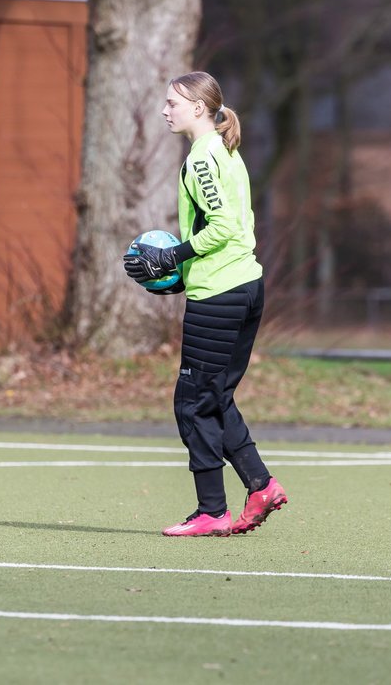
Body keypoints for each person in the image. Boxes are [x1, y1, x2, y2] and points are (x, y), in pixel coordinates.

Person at [123, 71, 287, 537]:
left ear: (198, 108)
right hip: (243, 286)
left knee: (192, 403)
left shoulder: (201, 158)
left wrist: (173, 256)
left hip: (220, 297)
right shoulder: (224, 151)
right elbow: (235, 231)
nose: (165, 110)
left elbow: (221, 229)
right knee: (215, 396)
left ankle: (211, 512)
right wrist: (182, 276)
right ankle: (260, 486)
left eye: (173, 102)